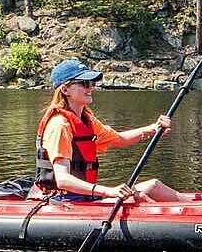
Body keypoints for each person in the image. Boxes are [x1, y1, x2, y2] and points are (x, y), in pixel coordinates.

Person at [33, 58, 187, 202]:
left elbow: (120, 139)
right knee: (139, 197)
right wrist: (108, 191)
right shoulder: (60, 125)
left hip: (85, 198)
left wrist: (154, 128)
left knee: (153, 185)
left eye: (92, 83)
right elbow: (63, 180)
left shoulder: (87, 121)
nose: (91, 88)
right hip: (65, 201)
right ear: (65, 90)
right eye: (84, 83)